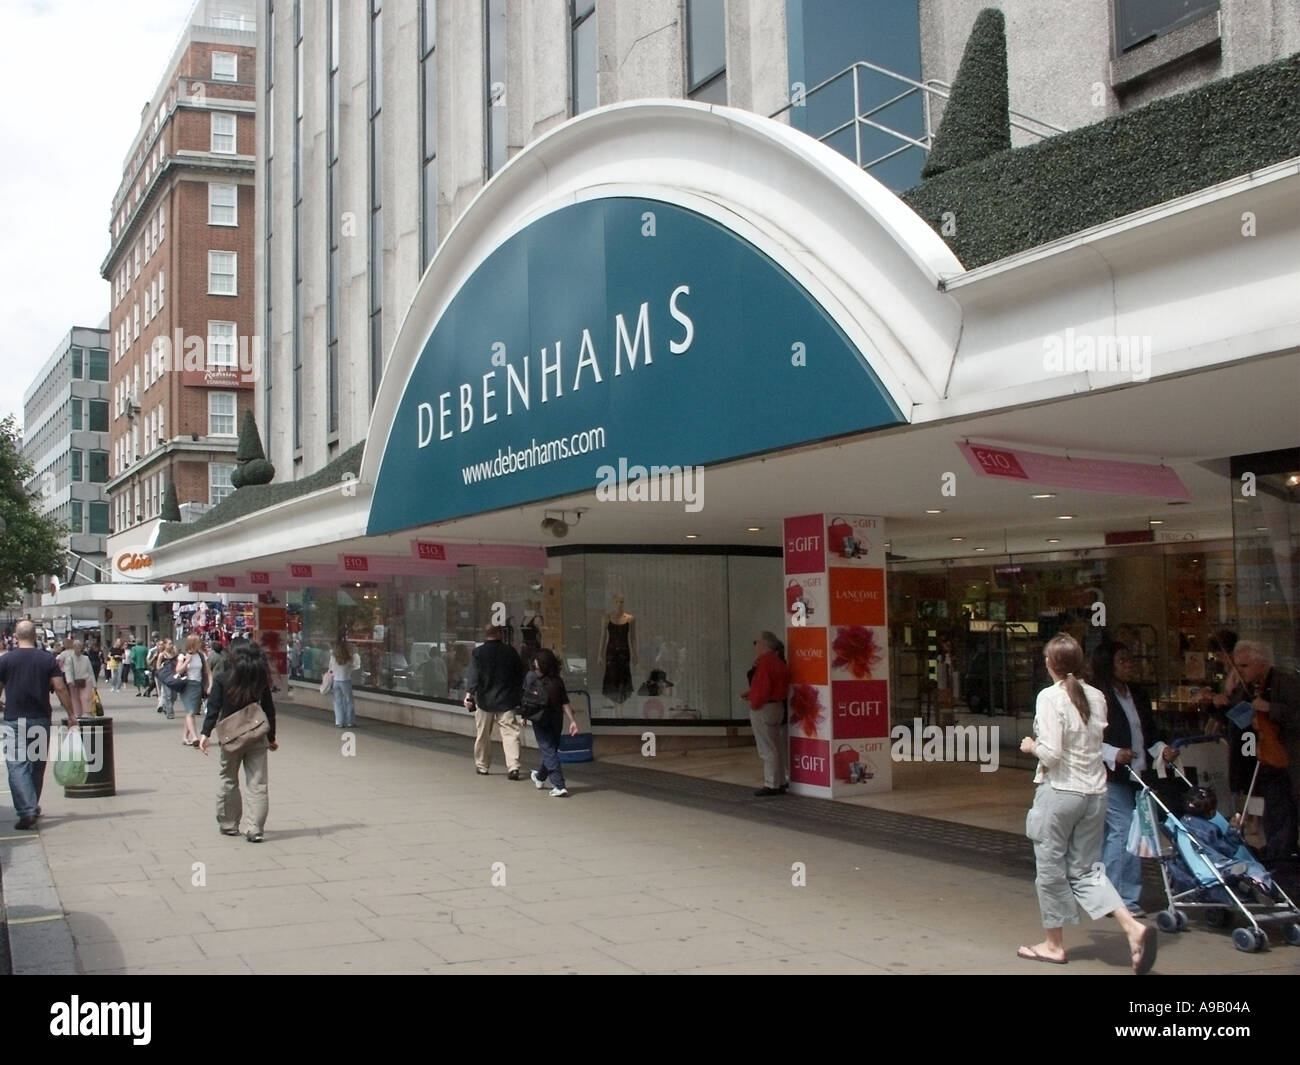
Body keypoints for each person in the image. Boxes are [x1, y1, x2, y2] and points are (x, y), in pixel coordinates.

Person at [1017, 633, 1156, 972]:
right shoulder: (1096, 695)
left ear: (1050, 664)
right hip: (1095, 793)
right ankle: (1132, 927)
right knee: (1085, 871)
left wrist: (1030, 746)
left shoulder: (1050, 697)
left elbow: (1051, 753)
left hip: (1061, 792)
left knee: (1050, 870)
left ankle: (1053, 944)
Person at [1093, 640, 1178, 916]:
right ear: (1109, 665)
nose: (1130, 665)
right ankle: (1120, 898)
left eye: (1131, 660)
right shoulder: (1097, 697)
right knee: (1125, 829)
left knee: (1127, 832)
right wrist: (1114, 753)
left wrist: (1161, 749)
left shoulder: (1137, 695)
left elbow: (1148, 733)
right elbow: (1087, 739)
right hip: (1110, 775)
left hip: (1139, 774)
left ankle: (1114, 894)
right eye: (1123, 661)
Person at [198, 639, 278, 842]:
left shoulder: (224, 678)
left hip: (230, 738)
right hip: (257, 737)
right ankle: (255, 828)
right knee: (258, 784)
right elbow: (269, 710)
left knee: (228, 779)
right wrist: (271, 737)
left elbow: (213, 708)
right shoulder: (260, 680)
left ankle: (229, 824)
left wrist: (205, 733)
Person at [0, 620, 78, 829]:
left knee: (17, 765)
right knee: (36, 764)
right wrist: (72, 714)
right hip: (40, 717)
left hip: (14, 718)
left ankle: (27, 809)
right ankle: (31, 805)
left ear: (16, 637)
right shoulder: (47, 659)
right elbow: (60, 688)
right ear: (36, 636)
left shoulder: (6, 660)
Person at [1231, 640, 1299, 864]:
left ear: (1261, 664)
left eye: (1244, 666)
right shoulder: (1247, 688)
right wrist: (1224, 699)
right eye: (1237, 666)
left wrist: (1271, 708)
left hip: (1289, 758)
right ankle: (1279, 858)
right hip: (1265, 758)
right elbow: (1238, 721)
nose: (1240, 671)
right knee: (1276, 814)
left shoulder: (1285, 682)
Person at [463, 624, 524, 778]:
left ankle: (482, 765)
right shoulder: (510, 652)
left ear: (486, 634)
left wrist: (469, 694)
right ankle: (513, 766)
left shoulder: (478, 652)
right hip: (506, 700)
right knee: (510, 734)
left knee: (483, 734)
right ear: (500, 634)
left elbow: (474, 676)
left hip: (485, 701)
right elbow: (520, 674)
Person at [524, 649, 580, 797]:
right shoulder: (557, 681)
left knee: (548, 750)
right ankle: (540, 776)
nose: (535, 667)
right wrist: (572, 720)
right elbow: (565, 702)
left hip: (540, 718)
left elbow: (526, 700)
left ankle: (559, 784)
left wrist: (524, 716)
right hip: (556, 718)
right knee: (550, 749)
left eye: (537, 664)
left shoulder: (532, 679)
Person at [743, 632, 790, 797]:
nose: (755, 646)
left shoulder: (765, 663)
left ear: (764, 645)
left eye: (757, 642)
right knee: (777, 746)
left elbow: (762, 689)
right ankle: (782, 781)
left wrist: (754, 703)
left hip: (764, 708)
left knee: (767, 748)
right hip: (777, 707)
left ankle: (771, 783)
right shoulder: (778, 662)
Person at [176, 634, 212, 747]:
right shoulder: (183, 656)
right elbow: (178, 671)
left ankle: (185, 737)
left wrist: (210, 685)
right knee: (191, 712)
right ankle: (195, 737)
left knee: (190, 712)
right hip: (186, 685)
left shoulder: (202, 656)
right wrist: (187, 661)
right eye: (198, 642)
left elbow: (208, 672)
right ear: (192, 644)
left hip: (197, 686)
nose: (200, 644)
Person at [57, 639, 95, 719]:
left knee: (85, 697)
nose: (78, 649)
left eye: (79, 647)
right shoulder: (69, 659)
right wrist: (70, 681)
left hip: (86, 680)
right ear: (73, 648)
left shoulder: (86, 658)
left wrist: (94, 684)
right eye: (76, 647)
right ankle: (77, 713)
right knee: (75, 698)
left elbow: (90, 671)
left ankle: (86, 712)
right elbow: (68, 671)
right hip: (74, 681)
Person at [327, 638, 361, 728]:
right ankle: (350, 721)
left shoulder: (333, 657)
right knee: (349, 701)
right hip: (345, 681)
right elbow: (354, 667)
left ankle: (339, 721)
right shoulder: (348, 658)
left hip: (336, 681)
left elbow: (330, 668)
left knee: (338, 702)